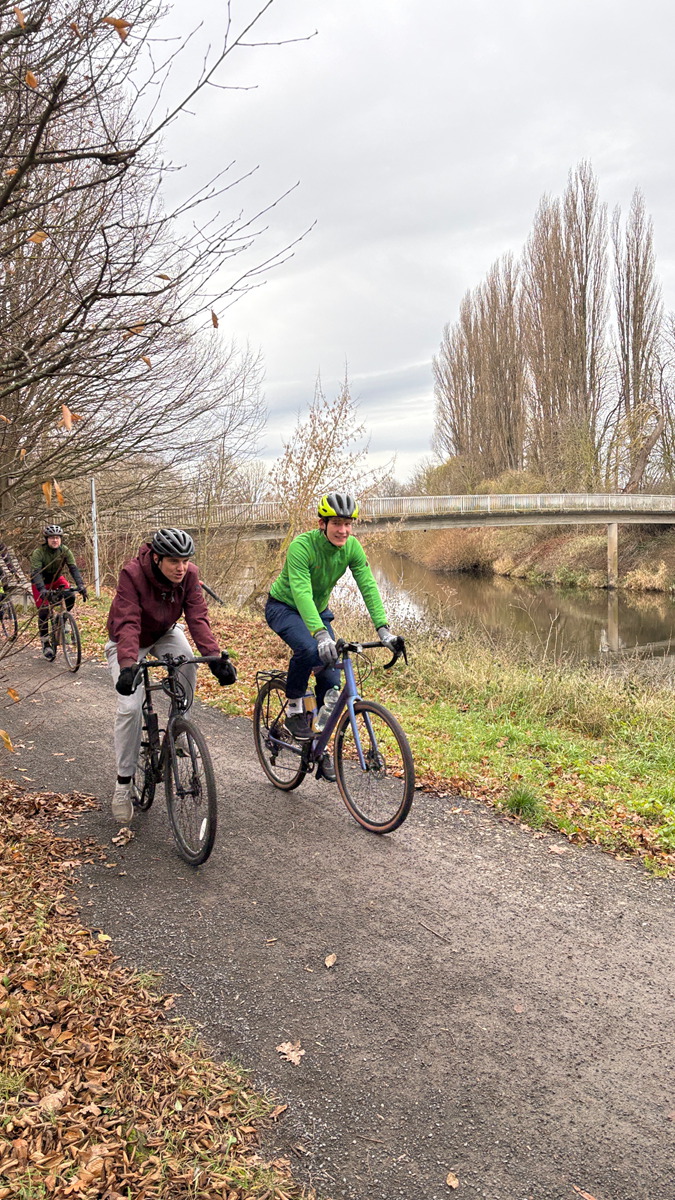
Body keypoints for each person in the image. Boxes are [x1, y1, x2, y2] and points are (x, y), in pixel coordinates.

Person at [265, 491, 400, 781]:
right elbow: (301, 592)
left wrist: (384, 629)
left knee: (330, 681)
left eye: (348, 523)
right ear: (322, 524)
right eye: (337, 523)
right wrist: (320, 634)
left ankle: (318, 745)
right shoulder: (302, 546)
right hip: (284, 608)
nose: (343, 530)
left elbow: (368, 585)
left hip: (318, 612)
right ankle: (293, 710)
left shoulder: (352, 547)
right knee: (310, 650)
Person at [106, 527, 237, 824]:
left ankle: (179, 726)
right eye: (174, 561)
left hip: (164, 632)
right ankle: (123, 784)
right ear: (157, 558)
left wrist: (214, 658)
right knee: (129, 708)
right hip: (127, 641)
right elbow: (128, 622)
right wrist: (127, 665)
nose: (181, 568)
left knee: (188, 661)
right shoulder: (132, 574)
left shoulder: (190, 575)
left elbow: (197, 617)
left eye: (185, 561)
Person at [30, 524, 88, 660]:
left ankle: (62, 619)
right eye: (52, 538)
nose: (55, 540)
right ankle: (45, 643)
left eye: (57, 537)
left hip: (56, 579)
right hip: (40, 582)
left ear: (61, 539)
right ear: (47, 540)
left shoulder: (65, 550)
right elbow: (36, 573)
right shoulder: (39, 553)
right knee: (44, 611)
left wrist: (81, 585)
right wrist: (42, 589)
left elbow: (73, 568)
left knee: (70, 595)